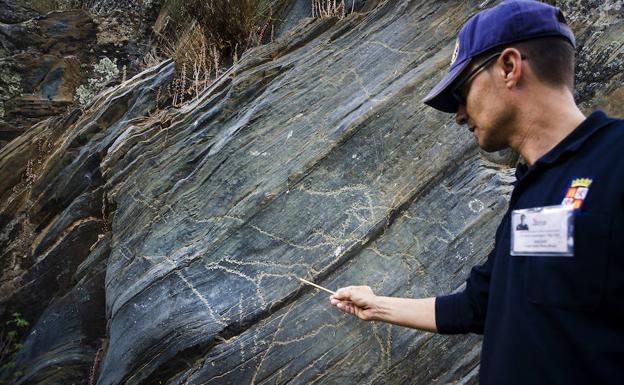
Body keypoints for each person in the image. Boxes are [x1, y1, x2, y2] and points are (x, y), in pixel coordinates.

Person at [329, 1, 624, 384]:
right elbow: (477, 306)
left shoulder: (616, 159)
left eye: (462, 91)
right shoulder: (532, 189)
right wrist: (377, 305)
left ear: (509, 67)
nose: (459, 115)